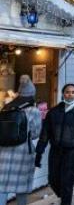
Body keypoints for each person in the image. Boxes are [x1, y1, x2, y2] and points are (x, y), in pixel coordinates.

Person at [35, 84, 74, 205]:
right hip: (55, 151)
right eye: (67, 92)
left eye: (72, 92)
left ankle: (66, 200)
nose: (70, 94)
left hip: (71, 152)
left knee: (67, 182)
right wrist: (39, 151)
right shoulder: (54, 112)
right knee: (53, 179)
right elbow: (45, 133)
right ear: (63, 93)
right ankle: (65, 195)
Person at [0, 76, 42, 205]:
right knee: (22, 186)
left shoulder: (6, 108)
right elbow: (35, 134)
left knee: (1, 185)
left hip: (3, 152)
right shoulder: (34, 110)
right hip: (23, 152)